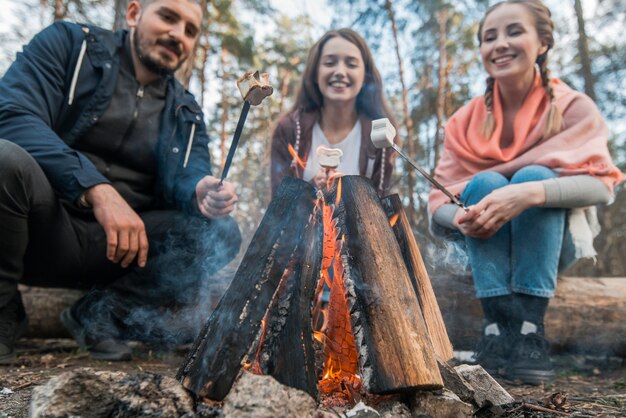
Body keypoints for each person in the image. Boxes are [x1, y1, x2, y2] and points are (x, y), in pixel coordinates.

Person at [0, 0, 241, 363]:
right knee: (4, 159)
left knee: (221, 231)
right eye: (168, 17)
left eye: (191, 30)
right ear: (133, 14)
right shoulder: (69, 45)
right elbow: (12, 114)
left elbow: (189, 173)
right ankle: (3, 314)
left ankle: (101, 314)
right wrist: (96, 189)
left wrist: (199, 191)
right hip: (40, 232)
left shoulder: (186, 112)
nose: (179, 35)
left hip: (120, 253)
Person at [429, 0, 625, 384]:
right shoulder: (463, 122)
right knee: (484, 183)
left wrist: (529, 194)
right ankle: (495, 330)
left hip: (555, 249)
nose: (500, 44)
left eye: (514, 31)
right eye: (489, 37)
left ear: (543, 42)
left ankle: (530, 329)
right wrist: (461, 219)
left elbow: (601, 187)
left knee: (535, 175)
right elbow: (438, 201)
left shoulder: (572, 106)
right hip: (486, 251)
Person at [271, 28, 397, 197]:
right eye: (330, 63)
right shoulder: (290, 129)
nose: (339, 72)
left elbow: (380, 210)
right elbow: (278, 208)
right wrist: (312, 190)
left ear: (365, 76)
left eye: (351, 64)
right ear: (315, 73)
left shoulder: (380, 134)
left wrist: (350, 194)